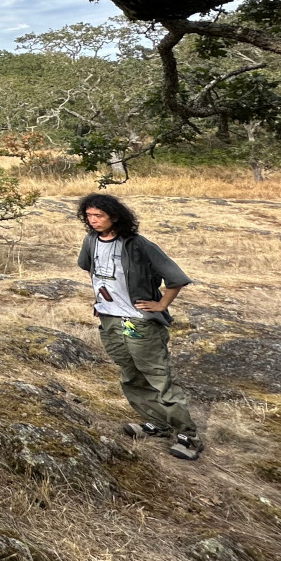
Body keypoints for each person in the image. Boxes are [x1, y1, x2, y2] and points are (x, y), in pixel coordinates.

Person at [76, 193, 201, 459]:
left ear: (115, 217)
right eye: (89, 216)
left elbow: (175, 278)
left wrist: (160, 305)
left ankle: (187, 437)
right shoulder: (90, 241)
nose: (93, 220)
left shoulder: (137, 244)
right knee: (131, 374)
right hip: (109, 318)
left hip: (139, 322)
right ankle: (156, 422)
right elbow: (90, 269)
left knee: (159, 378)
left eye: (99, 215)